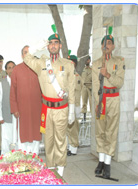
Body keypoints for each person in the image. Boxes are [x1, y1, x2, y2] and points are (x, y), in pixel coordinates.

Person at [23, 31, 75, 177]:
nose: (53, 46)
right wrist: (35, 48)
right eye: (50, 43)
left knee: (60, 140)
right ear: (48, 46)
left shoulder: (68, 64)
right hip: (46, 109)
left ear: (60, 45)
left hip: (62, 108)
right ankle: (51, 169)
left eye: (55, 43)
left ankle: (61, 170)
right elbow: (27, 58)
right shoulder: (41, 63)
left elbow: (72, 88)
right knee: (49, 141)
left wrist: (71, 110)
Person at [92, 31, 125, 178]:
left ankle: (107, 162)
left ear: (113, 47)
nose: (107, 46)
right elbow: (94, 85)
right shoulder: (96, 63)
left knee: (111, 130)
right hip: (101, 99)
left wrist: (107, 75)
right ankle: (100, 161)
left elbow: (120, 82)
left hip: (113, 99)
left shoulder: (119, 61)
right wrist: (97, 103)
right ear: (101, 47)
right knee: (100, 131)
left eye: (109, 43)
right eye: (104, 44)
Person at [10, 45, 42, 154]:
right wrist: (14, 109)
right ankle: (24, 160)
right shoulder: (17, 69)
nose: (27, 54)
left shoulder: (39, 68)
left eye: (29, 52)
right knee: (23, 135)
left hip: (37, 109)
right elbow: (13, 91)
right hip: (22, 110)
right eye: (25, 52)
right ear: (21, 55)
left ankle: (35, 158)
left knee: (36, 134)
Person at [0, 61, 16, 155]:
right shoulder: (2, 83)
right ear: (6, 70)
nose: (11, 70)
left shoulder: (19, 82)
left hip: (17, 117)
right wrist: (0, 116)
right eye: (9, 68)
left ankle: (17, 161)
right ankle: (5, 161)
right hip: (6, 116)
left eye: (13, 67)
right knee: (6, 139)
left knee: (16, 139)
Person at [66, 55, 83, 156]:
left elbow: (76, 92)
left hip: (74, 106)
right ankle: (70, 147)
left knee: (73, 129)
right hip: (67, 106)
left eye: (72, 63)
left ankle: (74, 148)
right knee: (68, 128)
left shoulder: (77, 77)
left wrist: (77, 108)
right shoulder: (67, 76)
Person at [81, 56, 92, 123]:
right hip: (84, 87)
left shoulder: (92, 69)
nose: (86, 61)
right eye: (85, 60)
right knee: (84, 102)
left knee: (91, 102)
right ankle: (84, 117)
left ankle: (92, 117)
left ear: (89, 60)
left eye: (87, 60)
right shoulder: (82, 69)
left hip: (90, 86)